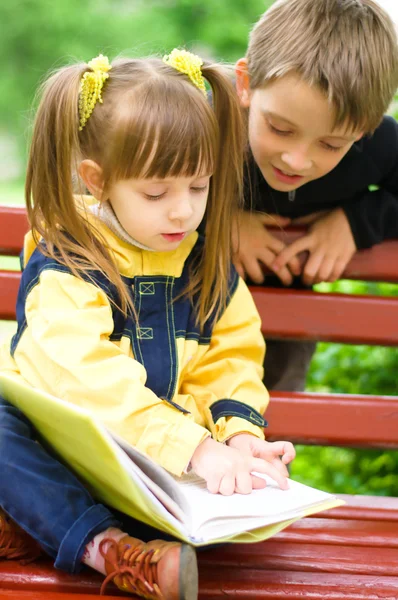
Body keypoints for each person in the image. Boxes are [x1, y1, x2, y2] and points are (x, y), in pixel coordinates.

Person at [0, 50, 295, 599]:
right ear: (98, 180)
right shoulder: (70, 258)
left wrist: (239, 435)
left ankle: (29, 527)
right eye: (157, 194)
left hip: (149, 468)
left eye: (199, 187)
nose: (182, 212)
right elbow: (84, 377)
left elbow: (229, 357)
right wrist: (193, 448)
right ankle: (110, 551)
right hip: (67, 452)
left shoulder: (202, 261)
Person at [233, 0, 398, 391]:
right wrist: (215, 219)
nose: (297, 160)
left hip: (281, 331)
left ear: (364, 130)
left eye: (330, 144)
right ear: (246, 85)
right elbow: (133, 183)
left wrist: (356, 224)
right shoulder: (203, 122)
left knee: (271, 430)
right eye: (280, 128)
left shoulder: (377, 145)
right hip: (178, 312)